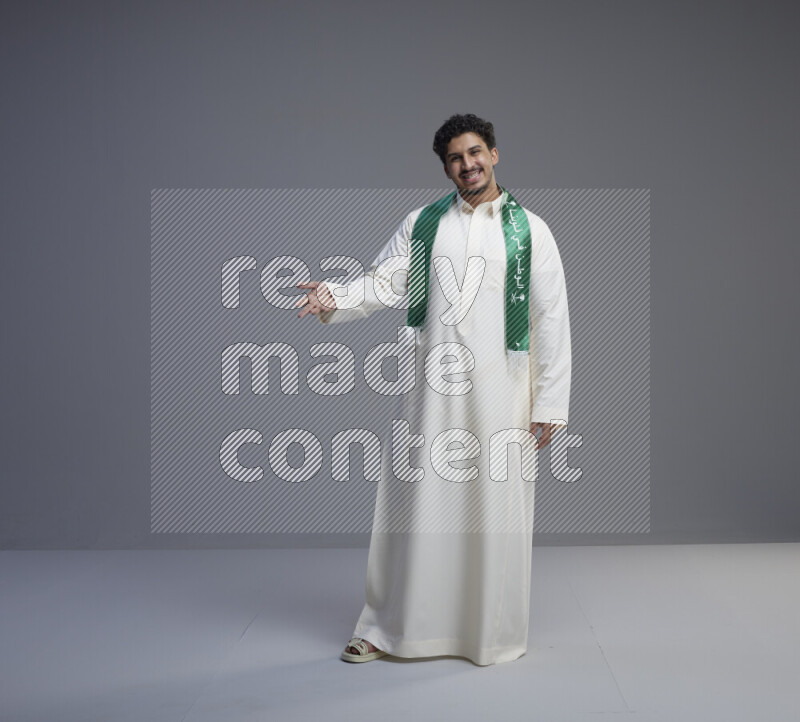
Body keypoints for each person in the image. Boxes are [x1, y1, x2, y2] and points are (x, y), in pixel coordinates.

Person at [295, 113, 572, 666]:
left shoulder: (530, 231)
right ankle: (389, 628)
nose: (466, 165)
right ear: (445, 167)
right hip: (430, 388)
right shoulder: (422, 224)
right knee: (415, 505)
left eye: (475, 153)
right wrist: (335, 297)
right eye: (454, 158)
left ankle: (484, 634)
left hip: (503, 391)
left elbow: (551, 317)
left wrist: (550, 402)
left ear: (494, 154)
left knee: (493, 508)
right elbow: (384, 281)